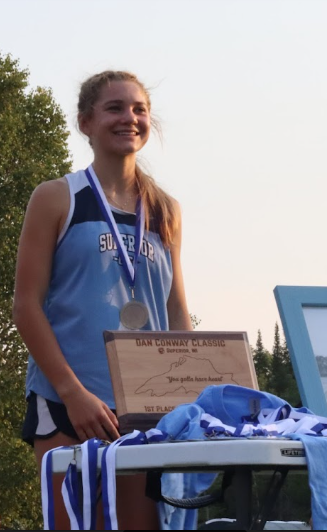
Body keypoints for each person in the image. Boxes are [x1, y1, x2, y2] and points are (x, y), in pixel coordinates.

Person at [12, 70, 193, 530]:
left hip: (147, 411)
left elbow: (175, 312)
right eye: (115, 108)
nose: (128, 118)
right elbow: (26, 305)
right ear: (85, 123)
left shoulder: (165, 210)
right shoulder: (56, 198)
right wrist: (73, 393)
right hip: (70, 403)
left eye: (139, 110)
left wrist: (189, 399)